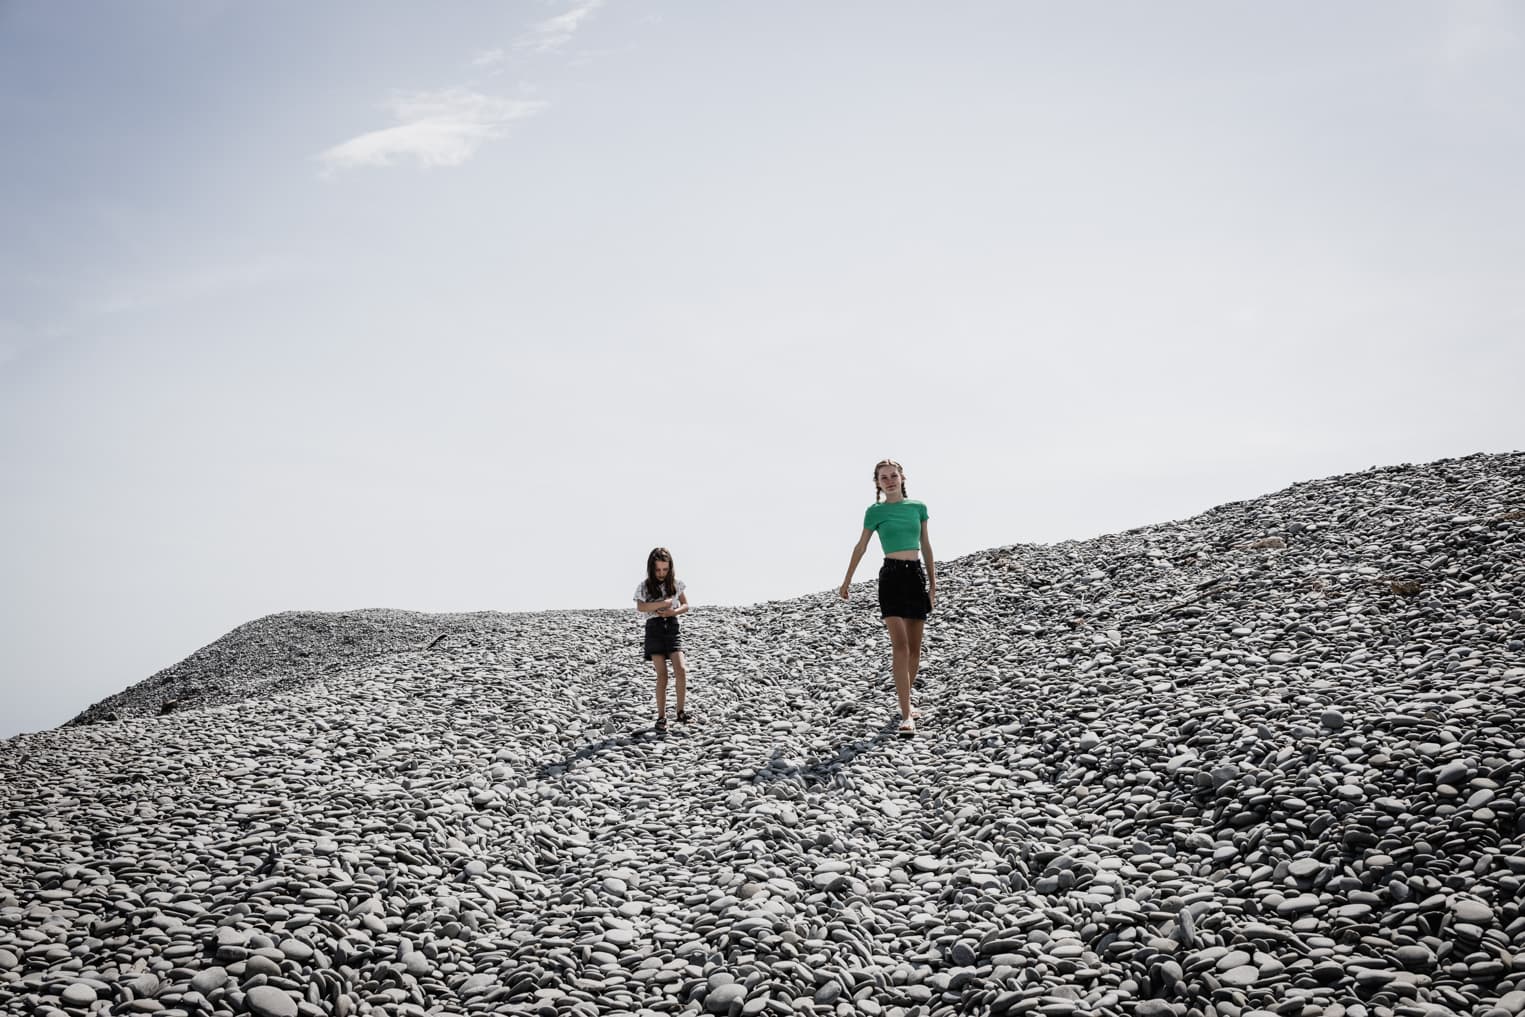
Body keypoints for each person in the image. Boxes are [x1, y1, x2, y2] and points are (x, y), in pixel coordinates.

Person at [839, 458, 936, 736]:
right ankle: (906, 715)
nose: (890, 480)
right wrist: (846, 580)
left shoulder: (918, 508)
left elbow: (926, 546)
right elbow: (861, 547)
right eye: (884, 478)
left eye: (893, 475)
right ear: (877, 483)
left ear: (902, 477)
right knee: (901, 647)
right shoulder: (875, 511)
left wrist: (933, 584)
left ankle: (906, 700)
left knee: (916, 650)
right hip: (891, 577)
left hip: (915, 575)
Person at [634, 547, 690, 729]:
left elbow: (686, 605)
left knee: (681, 670)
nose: (661, 573)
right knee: (662, 675)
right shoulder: (644, 586)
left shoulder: (675, 583)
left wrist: (673, 611)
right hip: (654, 630)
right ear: (651, 568)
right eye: (658, 570)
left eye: (665, 569)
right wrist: (661, 604)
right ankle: (661, 717)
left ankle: (680, 712)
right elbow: (641, 607)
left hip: (672, 628)